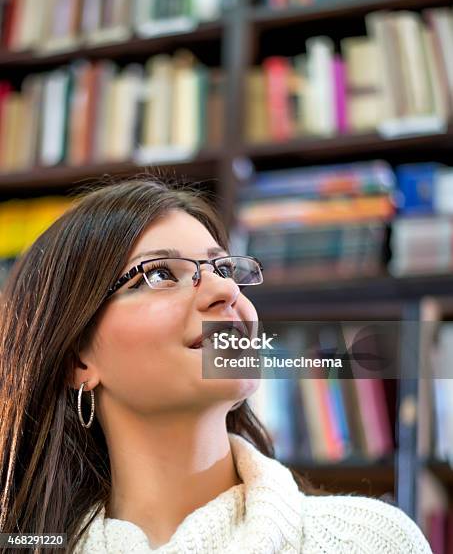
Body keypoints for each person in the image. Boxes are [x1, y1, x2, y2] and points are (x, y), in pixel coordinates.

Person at [0, 176, 432, 554]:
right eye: (158, 275)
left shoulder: (374, 541)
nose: (224, 289)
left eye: (223, 268)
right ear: (79, 360)